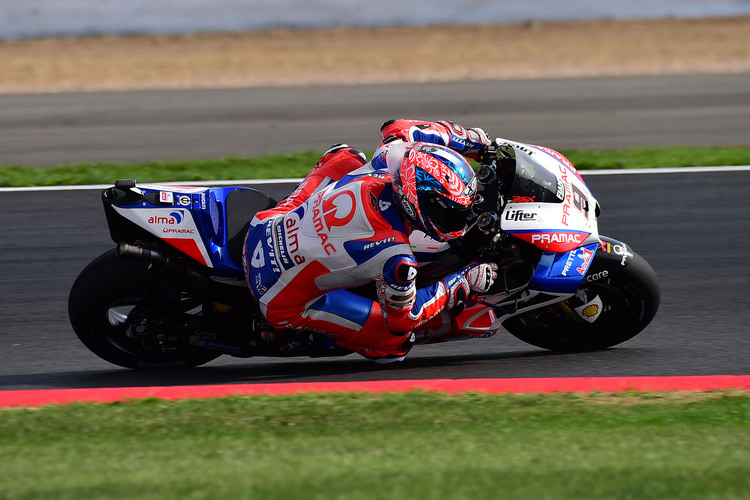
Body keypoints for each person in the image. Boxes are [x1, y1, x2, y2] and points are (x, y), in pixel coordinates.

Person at [243, 119, 499, 362]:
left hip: (266, 224)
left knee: (346, 156)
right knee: (395, 342)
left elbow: (397, 127)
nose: (459, 220)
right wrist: (462, 281)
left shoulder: (387, 158)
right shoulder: (395, 256)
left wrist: (471, 141)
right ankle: (312, 337)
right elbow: (404, 319)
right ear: (415, 202)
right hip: (274, 291)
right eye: (450, 213)